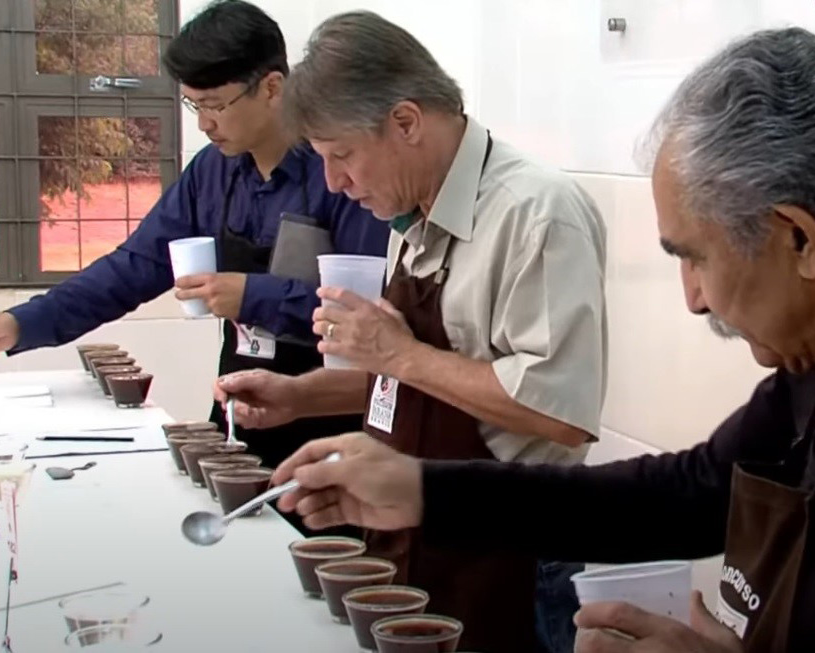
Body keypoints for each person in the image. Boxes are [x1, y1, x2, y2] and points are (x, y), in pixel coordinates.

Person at [267, 28, 815, 653]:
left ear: (798, 238)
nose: (691, 299)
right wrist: (418, 488)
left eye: (695, 258)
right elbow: (682, 493)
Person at [215, 11, 607, 653]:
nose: (337, 184)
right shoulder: (414, 213)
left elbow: (559, 410)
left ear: (405, 122)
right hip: (420, 527)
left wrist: (400, 351)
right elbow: (417, 383)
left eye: (342, 157)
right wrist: (299, 397)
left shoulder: (534, 212)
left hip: (513, 552)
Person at [0, 1, 388, 493]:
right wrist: (20, 324)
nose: (204, 124)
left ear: (273, 87)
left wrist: (254, 296)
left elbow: (365, 310)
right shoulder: (212, 172)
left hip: (332, 418)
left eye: (215, 104)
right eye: (195, 105)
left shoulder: (338, 173)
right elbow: (135, 265)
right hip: (240, 404)